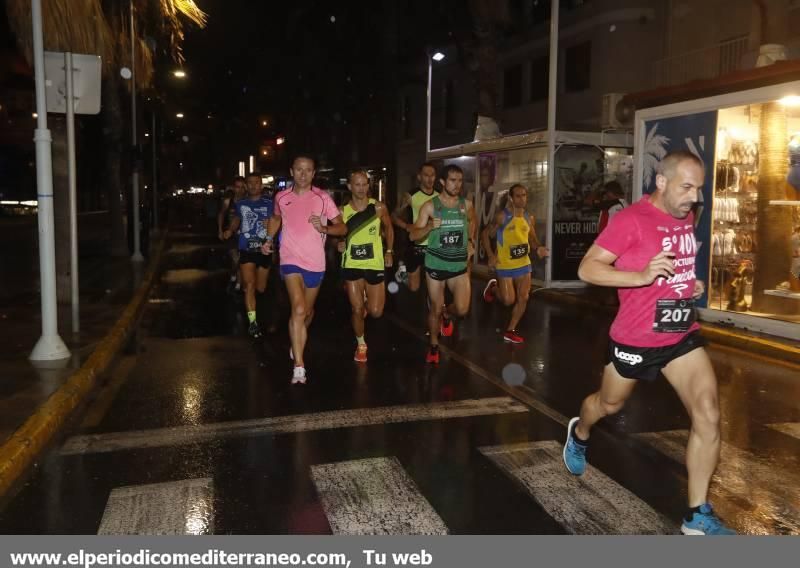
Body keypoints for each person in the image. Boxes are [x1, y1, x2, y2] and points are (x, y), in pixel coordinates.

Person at [562, 150, 735, 535]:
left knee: (708, 412)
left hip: (680, 334)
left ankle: (697, 515)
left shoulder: (685, 215)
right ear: (661, 182)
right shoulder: (630, 221)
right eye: (686, 187)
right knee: (607, 405)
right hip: (635, 338)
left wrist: (688, 285)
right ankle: (580, 433)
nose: (694, 197)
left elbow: (675, 266)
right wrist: (640, 277)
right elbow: (587, 267)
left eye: (699, 189)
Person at [265, 155, 347, 384]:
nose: (303, 174)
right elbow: (276, 219)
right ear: (292, 171)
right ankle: (299, 365)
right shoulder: (281, 197)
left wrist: (325, 228)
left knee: (306, 313)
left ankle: (297, 340)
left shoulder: (323, 198)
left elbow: (342, 227)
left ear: (313, 173)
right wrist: (268, 239)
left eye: (308, 170)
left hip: (316, 263)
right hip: (290, 259)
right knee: (299, 309)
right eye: (299, 169)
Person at [410, 164, 476, 364]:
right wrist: (429, 226)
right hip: (436, 265)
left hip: (458, 266)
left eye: (459, 180)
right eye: (452, 180)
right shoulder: (431, 206)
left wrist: (471, 241)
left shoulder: (467, 205)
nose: (457, 185)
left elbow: (473, 222)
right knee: (435, 309)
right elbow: (413, 235)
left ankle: (449, 312)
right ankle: (434, 344)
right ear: (442, 182)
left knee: (463, 309)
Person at [337, 170, 395, 363]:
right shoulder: (341, 211)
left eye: (364, 184)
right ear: (349, 186)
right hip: (352, 264)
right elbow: (334, 236)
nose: (361, 188)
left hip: (374, 263)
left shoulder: (378, 208)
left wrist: (389, 251)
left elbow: (389, 228)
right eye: (357, 184)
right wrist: (338, 243)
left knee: (376, 311)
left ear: (368, 185)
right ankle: (361, 344)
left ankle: (365, 307)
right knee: (356, 309)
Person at [480, 184, 549, 343]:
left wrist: (538, 248)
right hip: (505, 265)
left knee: (524, 297)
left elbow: (532, 238)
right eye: (518, 196)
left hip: (524, 264)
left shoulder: (528, 218)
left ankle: (510, 330)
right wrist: (491, 255)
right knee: (508, 300)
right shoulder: (502, 217)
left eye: (524, 195)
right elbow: (485, 234)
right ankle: (493, 288)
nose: (522, 198)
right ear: (511, 198)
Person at [222, 172, 273, 339]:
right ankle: (253, 323)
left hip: (264, 250)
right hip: (246, 249)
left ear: (261, 185)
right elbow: (237, 218)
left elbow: (278, 221)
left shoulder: (269, 203)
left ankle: (258, 311)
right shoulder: (241, 203)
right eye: (249, 183)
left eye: (256, 183)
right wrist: (231, 229)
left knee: (261, 287)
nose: (253, 186)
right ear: (246, 185)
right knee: (249, 285)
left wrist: (271, 228)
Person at [391, 162, 440, 292]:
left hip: (435, 244)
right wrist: (407, 226)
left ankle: (436, 307)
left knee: (437, 285)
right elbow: (394, 216)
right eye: (426, 175)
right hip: (416, 244)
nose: (430, 178)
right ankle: (402, 274)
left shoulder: (440, 196)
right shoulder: (410, 196)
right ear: (419, 177)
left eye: (432, 175)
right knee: (414, 287)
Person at [217, 176, 247, 291]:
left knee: (241, 260)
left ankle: (239, 282)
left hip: (243, 235)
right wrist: (220, 229)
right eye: (237, 187)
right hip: (230, 235)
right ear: (234, 188)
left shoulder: (247, 201)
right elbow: (221, 214)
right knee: (235, 260)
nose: (239, 190)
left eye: (242, 187)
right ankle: (234, 274)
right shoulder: (228, 201)